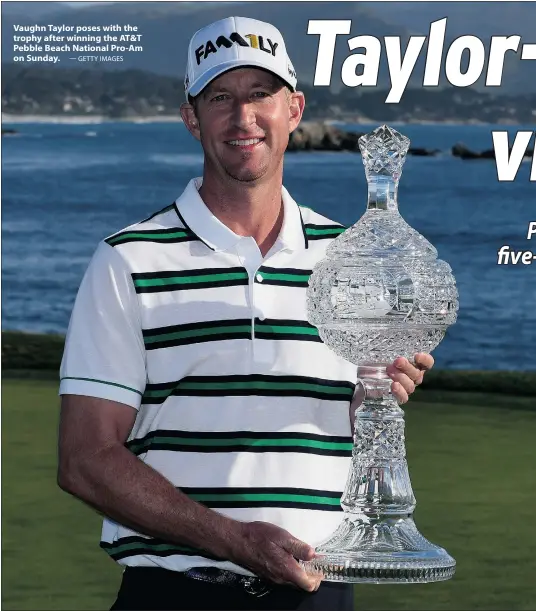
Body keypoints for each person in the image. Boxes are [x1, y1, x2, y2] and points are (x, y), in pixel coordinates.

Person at [56, 16, 434, 611]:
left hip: (321, 593)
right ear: (192, 117)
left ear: (295, 109)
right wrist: (234, 541)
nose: (243, 117)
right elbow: (84, 460)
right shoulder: (127, 260)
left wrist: (373, 403)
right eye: (221, 98)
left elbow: (356, 435)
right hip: (174, 596)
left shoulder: (352, 259)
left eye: (261, 94)